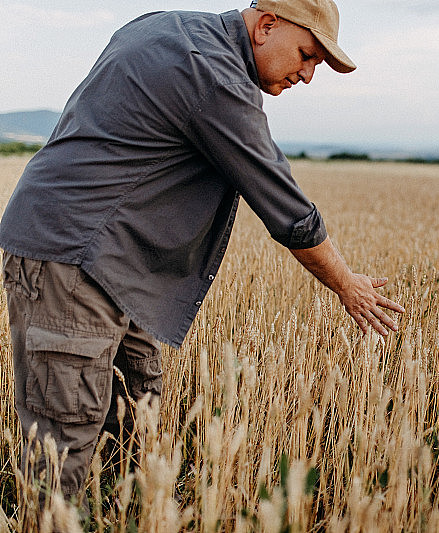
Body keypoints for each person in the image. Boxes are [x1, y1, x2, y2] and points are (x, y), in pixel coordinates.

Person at [0, 0, 404, 509]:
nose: (307, 75)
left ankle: (117, 515)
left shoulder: (167, 27)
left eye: (317, 65)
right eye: (306, 55)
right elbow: (284, 205)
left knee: (136, 411)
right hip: (71, 253)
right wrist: (347, 283)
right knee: (67, 440)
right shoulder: (214, 77)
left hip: (113, 258)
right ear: (266, 25)